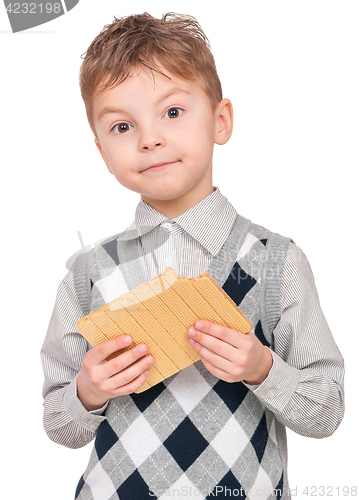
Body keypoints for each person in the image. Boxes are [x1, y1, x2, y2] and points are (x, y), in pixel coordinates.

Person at [41, 12, 344, 500]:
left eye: (173, 112)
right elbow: (59, 424)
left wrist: (261, 368)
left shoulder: (276, 262)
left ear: (221, 121)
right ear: (102, 153)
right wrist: (89, 391)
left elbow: (327, 410)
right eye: (122, 125)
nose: (149, 138)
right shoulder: (88, 274)